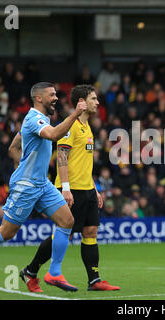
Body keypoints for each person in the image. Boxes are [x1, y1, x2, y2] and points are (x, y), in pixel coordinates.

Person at [0, 82, 87, 292]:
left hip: (41, 183)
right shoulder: (34, 119)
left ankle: (54, 273)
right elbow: (52, 135)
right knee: (6, 232)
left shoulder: (37, 121)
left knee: (67, 221)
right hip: (27, 185)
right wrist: (75, 113)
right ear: (39, 98)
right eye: (52, 95)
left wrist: (23, 165)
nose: (56, 98)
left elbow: (13, 147)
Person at [19, 84, 120, 292]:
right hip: (70, 189)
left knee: (91, 231)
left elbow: (84, 162)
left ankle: (94, 280)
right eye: (93, 99)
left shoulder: (87, 127)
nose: (97, 102)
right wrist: (65, 188)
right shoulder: (71, 126)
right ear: (81, 102)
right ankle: (32, 270)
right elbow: (62, 158)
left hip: (87, 189)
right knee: (66, 233)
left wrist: (95, 188)